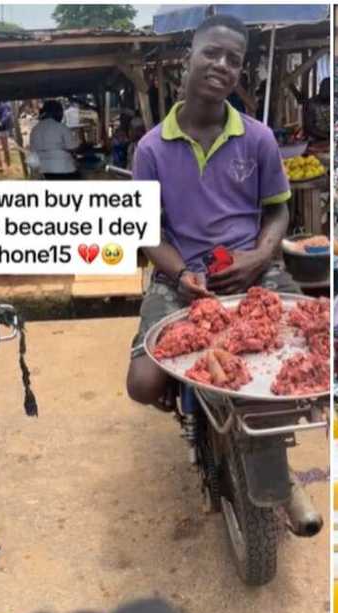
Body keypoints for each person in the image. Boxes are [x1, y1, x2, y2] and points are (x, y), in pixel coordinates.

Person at [126, 16, 297, 410]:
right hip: (180, 277)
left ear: (239, 72)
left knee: (304, 344)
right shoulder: (151, 149)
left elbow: (277, 211)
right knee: (143, 384)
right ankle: (180, 395)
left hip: (251, 268)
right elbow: (148, 231)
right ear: (189, 59)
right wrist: (181, 274)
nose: (222, 64)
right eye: (212, 53)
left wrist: (257, 256)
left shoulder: (259, 138)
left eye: (233, 60)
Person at [29, 100, 80, 179]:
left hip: (45, 170)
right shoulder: (61, 127)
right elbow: (72, 147)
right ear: (57, 113)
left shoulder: (35, 129)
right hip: (64, 168)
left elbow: (33, 150)